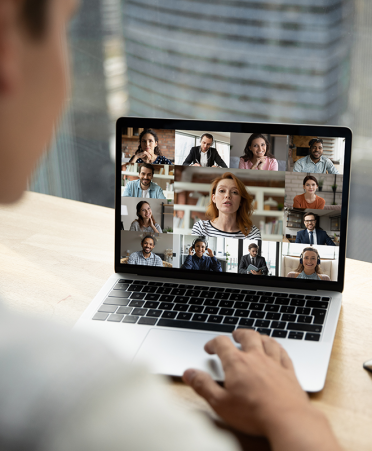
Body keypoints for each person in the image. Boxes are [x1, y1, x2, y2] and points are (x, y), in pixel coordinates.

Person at [0, 1, 343, 450]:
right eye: (64, 29)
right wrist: (292, 414)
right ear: (8, 47)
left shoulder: (259, 231)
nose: (226, 195)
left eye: (233, 192)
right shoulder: (82, 401)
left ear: (240, 198)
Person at [192, 172, 261, 239]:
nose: (227, 195)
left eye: (234, 192)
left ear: (241, 201)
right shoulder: (201, 228)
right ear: (214, 198)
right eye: (222, 191)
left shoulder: (253, 233)